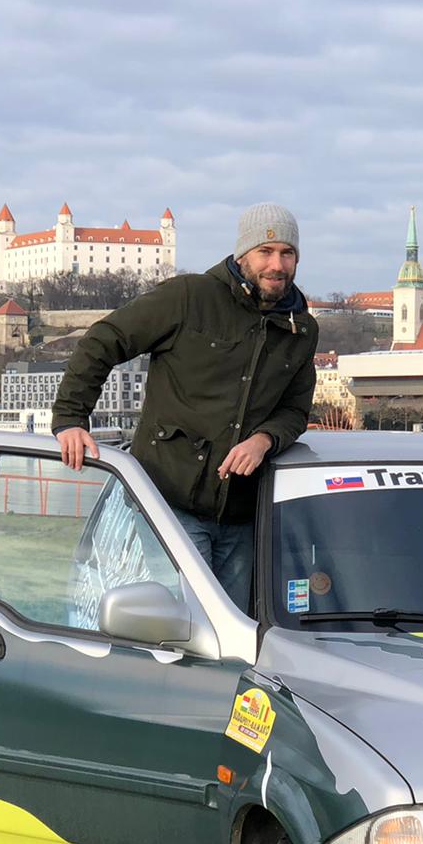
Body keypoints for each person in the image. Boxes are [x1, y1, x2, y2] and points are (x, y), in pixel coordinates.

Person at [53, 203, 318, 609]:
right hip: (171, 499)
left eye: (287, 253)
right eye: (265, 252)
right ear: (242, 254)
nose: (276, 264)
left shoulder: (301, 328)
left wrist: (264, 439)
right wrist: (71, 418)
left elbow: (295, 410)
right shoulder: (189, 296)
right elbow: (103, 340)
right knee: (189, 622)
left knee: (235, 632)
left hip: (244, 511)